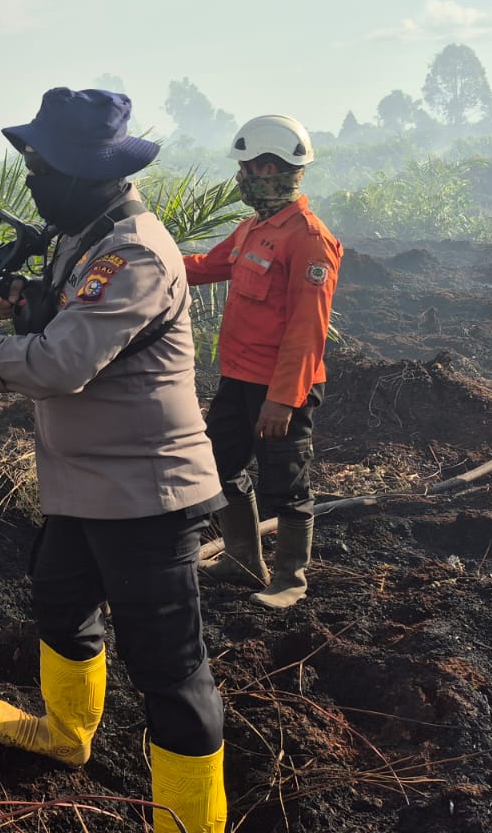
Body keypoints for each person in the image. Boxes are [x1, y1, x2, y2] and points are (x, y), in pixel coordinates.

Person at [0, 87, 228, 833]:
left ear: (89, 174)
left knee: (169, 670)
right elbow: (67, 317)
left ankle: (190, 822)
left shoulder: (135, 253)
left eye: (42, 169)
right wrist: (17, 301)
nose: (33, 181)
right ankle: (67, 732)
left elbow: (59, 365)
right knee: (58, 599)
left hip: (146, 493)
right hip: (84, 482)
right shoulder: (86, 236)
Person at [182, 115, 341, 611]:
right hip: (238, 380)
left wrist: (282, 400)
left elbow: (307, 329)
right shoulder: (252, 229)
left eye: (248, 168)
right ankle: (244, 559)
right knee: (218, 466)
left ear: (271, 169)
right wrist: (149, 258)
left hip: (281, 388)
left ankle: (291, 579)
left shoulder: (309, 239)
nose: (242, 178)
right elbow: (206, 267)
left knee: (287, 484)